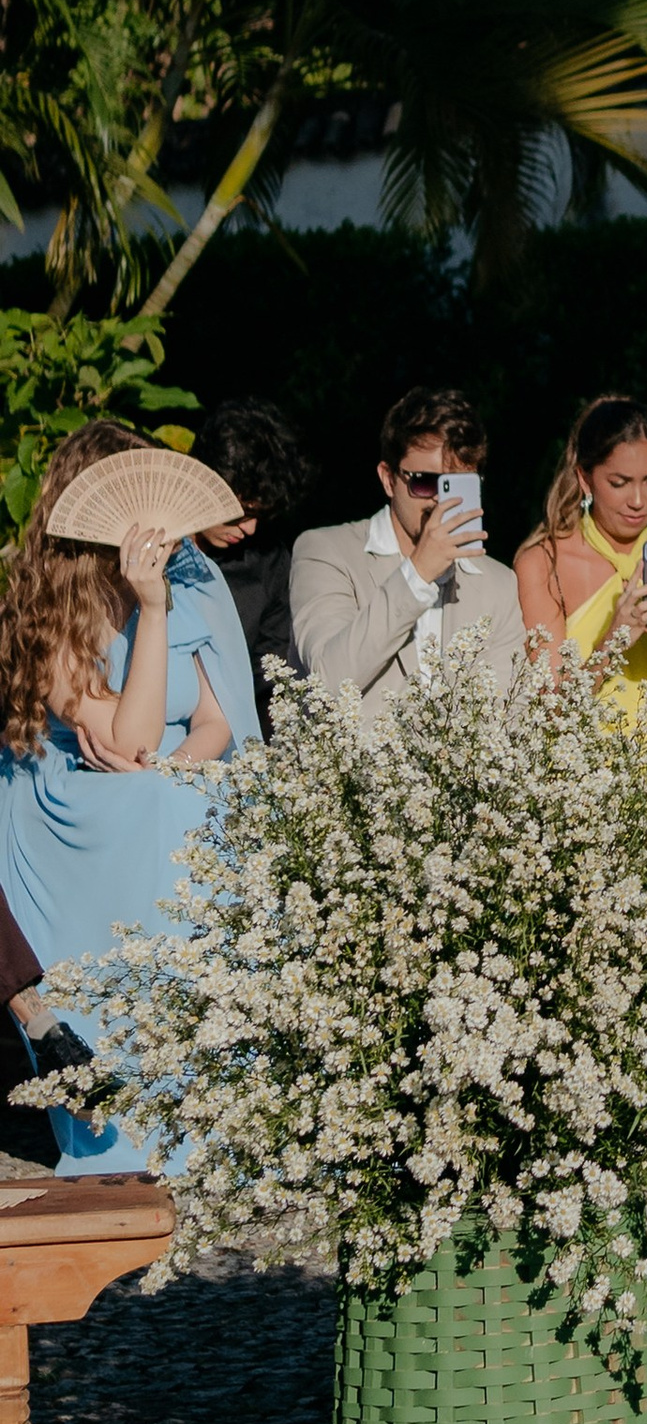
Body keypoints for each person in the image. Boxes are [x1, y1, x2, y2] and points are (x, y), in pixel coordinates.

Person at [0, 419, 262, 1173]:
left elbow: (216, 718)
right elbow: (128, 735)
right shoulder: (50, 597)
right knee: (157, 807)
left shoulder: (196, 577)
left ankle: (223, 1104)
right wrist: (149, 610)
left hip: (169, 778)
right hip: (69, 798)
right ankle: (130, 1110)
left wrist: (177, 768)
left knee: (203, 804)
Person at [290, 387, 528, 726]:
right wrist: (417, 574)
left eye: (456, 486)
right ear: (388, 479)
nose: (438, 502)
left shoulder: (498, 583)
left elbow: (509, 717)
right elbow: (327, 683)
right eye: (424, 483)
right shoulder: (325, 551)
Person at [515, 393, 647, 735]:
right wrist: (612, 642)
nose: (639, 501)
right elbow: (551, 716)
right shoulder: (542, 563)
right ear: (585, 478)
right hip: (580, 775)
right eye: (619, 483)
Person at [196, 396, 312, 734]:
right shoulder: (149, 546)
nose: (250, 528)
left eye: (259, 514)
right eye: (240, 513)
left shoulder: (269, 564)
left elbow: (268, 683)